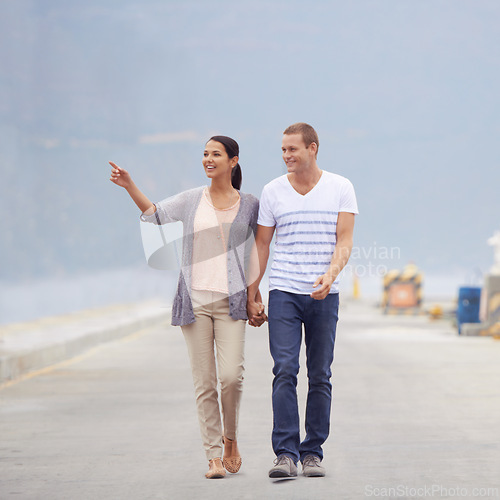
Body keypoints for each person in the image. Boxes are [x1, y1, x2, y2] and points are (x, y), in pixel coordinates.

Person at [109, 136, 265, 479]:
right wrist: (129, 185)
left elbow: (257, 250)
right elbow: (155, 215)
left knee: (231, 378)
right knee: (205, 382)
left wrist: (255, 295)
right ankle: (212, 456)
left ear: (233, 161)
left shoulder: (251, 204)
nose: (208, 160)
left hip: (232, 303)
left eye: (216, 155)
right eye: (205, 155)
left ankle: (231, 439)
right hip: (194, 302)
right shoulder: (193, 199)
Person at [247, 123, 358, 478]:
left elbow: (344, 240)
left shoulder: (341, 187)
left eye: (293, 149)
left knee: (320, 374)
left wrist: (332, 274)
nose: (286, 156)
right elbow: (262, 245)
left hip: (324, 294)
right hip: (284, 293)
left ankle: (312, 453)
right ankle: (285, 454)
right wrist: (254, 289)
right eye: (283, 150)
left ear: (313, 148)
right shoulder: (273, 191)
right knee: (284, 370)